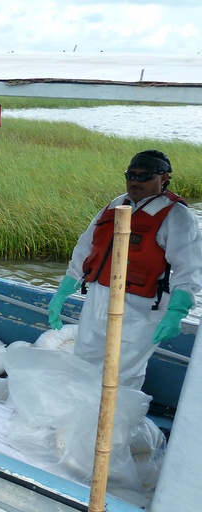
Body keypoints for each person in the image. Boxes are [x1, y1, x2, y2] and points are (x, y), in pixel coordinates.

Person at [47, 149, 202, 390]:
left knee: (122, 373)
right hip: (98, 297)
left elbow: (189, 268)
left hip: (140, 307)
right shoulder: (115, 205)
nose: (135, 181)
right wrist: (63, 291)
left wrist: (177, 312)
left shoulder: (177, 215)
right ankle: (81, 420)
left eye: (144, 176)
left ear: (164, 178)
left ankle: (117, 424)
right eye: (131, 175)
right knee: (84, 362)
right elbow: (85, 248)